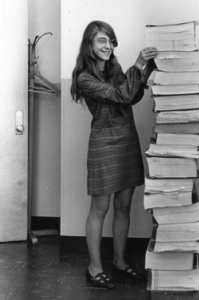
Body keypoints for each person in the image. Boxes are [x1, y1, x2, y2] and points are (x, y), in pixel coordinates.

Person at [70, 20, 158, 289]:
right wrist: (138, 63)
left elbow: (130, 97)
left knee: (122, 206)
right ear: (90, 44)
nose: (107, 46)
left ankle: (119, 261)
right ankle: (94, 267)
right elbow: (120, 95)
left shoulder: (115, 68)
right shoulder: (84, 78)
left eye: (110, 40)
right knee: (100, 208)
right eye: (101, 41)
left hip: (126, 140)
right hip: (104, 143)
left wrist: (148, 66)